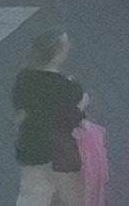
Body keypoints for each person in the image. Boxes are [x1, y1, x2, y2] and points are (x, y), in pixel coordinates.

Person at [10, 27, 92, 206]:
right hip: (58, 150)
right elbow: (70, 120)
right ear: (58, 53)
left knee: (32, 195)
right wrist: (83, 103)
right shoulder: (67, 86)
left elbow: (19, 105)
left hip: (30, 144)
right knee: (71, 197)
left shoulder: (24, 77)